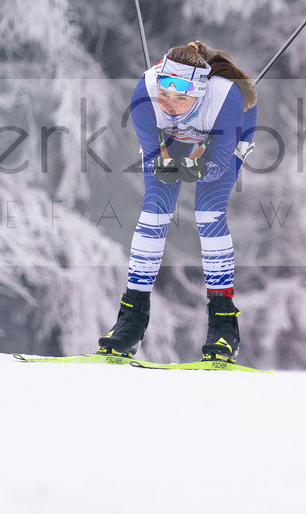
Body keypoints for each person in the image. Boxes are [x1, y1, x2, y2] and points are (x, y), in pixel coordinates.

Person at [97, 41, 257, 362]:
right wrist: (166, 162)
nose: (169, 104)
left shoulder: (227, 98)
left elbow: (216, 166)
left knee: (208, 212)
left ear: (198, 93)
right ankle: (130, 321)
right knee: (155, 210)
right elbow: (156, 155)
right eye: (165, 95)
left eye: (180, 98)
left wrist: (197, 164)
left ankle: (224, 325)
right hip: (173, 139)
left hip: (222, 136)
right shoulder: (145, 94)